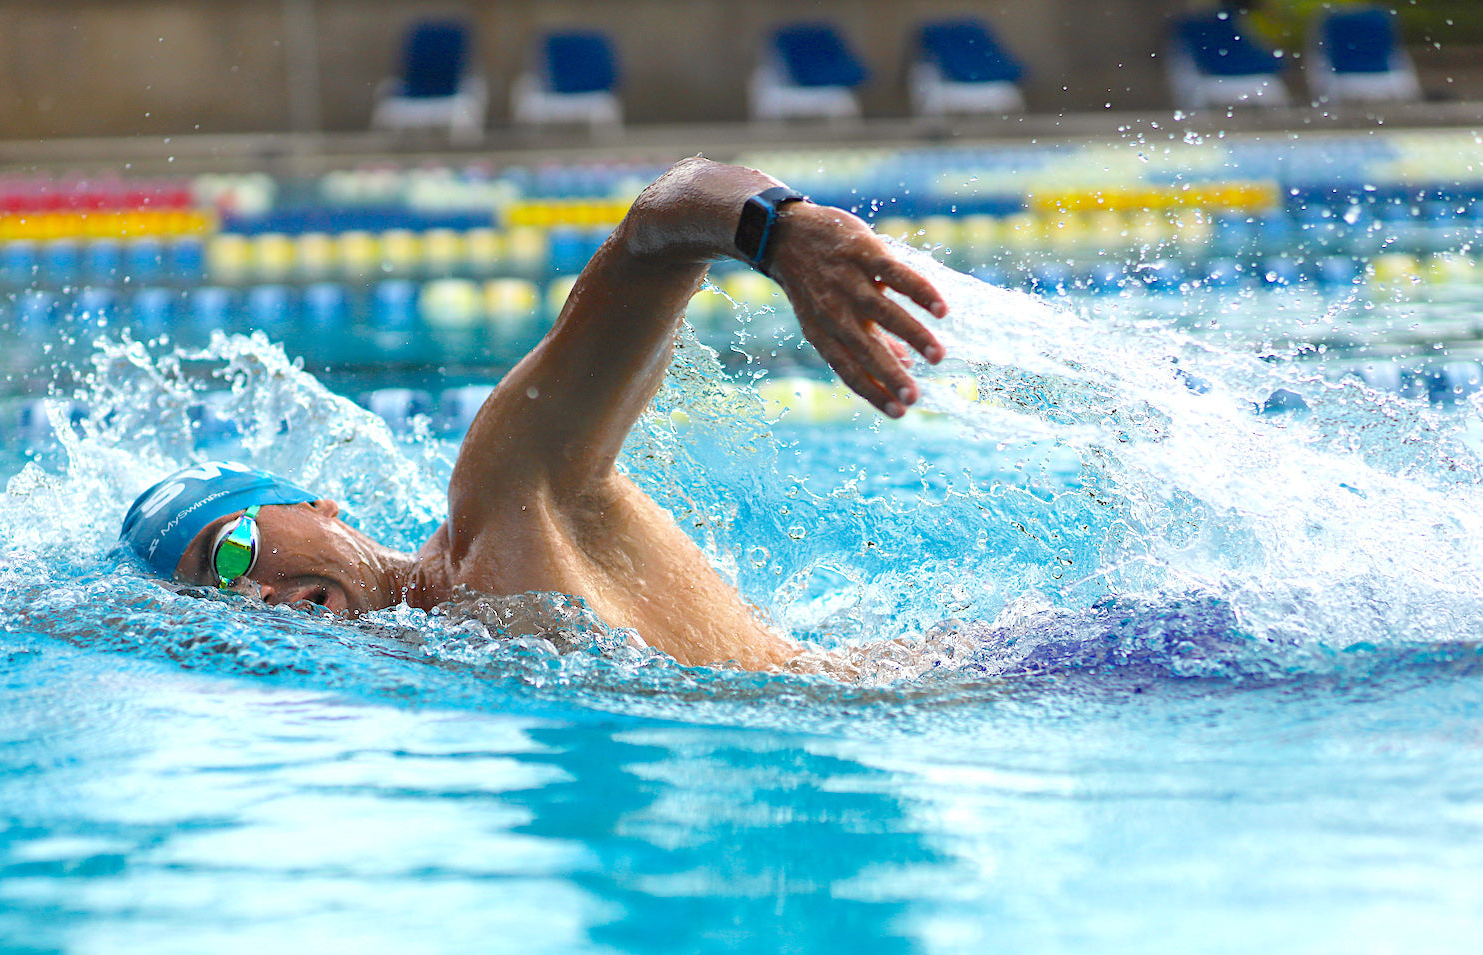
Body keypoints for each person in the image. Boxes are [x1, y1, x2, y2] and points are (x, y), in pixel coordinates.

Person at [120, 156, 949, 671]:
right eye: (213, 599)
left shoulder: (503, 503)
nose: (254, 596)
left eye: (233, 552)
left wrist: (774, 229)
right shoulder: (428, 660)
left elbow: (652, 230)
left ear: (316, 504)